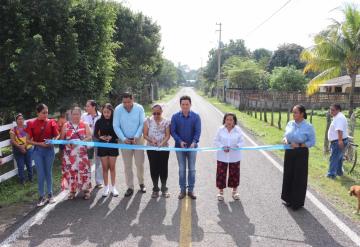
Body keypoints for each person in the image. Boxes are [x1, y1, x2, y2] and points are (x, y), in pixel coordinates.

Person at [282, 104, 315, 210]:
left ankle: (297, 203)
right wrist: (285, 140)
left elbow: (312, 142)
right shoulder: (290, 123)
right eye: (293, 112)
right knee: (289, 175)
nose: (293, 114)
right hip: (289, 152)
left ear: (302, 114)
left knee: (299, 177)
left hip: (301, 153)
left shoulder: (308, 126)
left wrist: (299, 145)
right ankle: (288, 199)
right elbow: (286, 135)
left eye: (295, 112)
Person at [26, 104, 60, 207]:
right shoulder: (31, 123)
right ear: (38, 113)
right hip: (38, 151)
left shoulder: (51, 122)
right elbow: (27, 140)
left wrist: (53, 140)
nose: (46, 114)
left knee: (48, 172)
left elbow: (57, 135)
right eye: (43, 112)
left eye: (47, 112)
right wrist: (40, 144)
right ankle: (41, 196)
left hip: (49, 150)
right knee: (41, 173)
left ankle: (50, 194)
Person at [113, 92, 146, 197]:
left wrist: (136, 136)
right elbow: (116, 125)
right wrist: (123, 138)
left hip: (138, 140)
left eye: (128, 102)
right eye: (124, 102)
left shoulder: (139, 108)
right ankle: (130, 187)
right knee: (127, 165)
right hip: (124, 141)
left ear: (133, 99)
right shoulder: (118, 109)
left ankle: (141, 183)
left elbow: (142, 123)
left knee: (139, 163)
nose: (126, 104)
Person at [170, 95, 201, 200]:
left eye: (187, 104)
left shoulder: (196, 116)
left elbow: (198, 131)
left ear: (190, 104)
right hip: (180, 147)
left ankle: (191, 190)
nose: (185, 106)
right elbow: (173, 131)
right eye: (183, 104)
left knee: (192, 169)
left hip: (192, 147)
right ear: (180, 105)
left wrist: (194, 142)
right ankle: (182, 190)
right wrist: (180, 141)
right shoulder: (175, 117)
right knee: (182, 169)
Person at [61, 106, 92, 200]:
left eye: (77, 114)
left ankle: (86, 191)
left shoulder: (85, 124)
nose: (75, 116)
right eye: (73, 114)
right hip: (69, 154)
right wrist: (69, 143)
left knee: (84, 171)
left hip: (81, 153)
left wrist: (78, 141)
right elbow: (62, 139)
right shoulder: (66, 125)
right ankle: (72, 191)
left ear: (80, 114)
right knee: (71, 172)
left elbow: (89, 137)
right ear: (71, 115)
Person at [214, 113, 243, 201]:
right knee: (221, 174)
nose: (229, 121)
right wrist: (222, 147)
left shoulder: (238, 130)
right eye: (227, 119)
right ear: (224, 120)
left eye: (231, 120)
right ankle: (220, 192)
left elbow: (242, 142)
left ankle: (234, 192)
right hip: (222, 156)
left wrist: (236, 146)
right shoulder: (220, 129)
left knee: (235, 174)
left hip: (235, 156)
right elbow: (215, 141)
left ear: (234, 121)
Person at [143, 104, 171, 198]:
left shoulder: (166, 121)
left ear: (161, 112)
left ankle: (164, 188)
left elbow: (167, 135)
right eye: (154, 113)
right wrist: (152, 141)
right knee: (153, 168)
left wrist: (162, 143)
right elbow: (145, 135)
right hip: (151, 148)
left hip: (164, 148)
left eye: (158, 113)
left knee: (163, 168)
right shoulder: (148, 121)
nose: (156, 115)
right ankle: (155, 189)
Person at [94, 103, 119, 197]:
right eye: (104, 112)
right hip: (102, 146)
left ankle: (113, 188)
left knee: (112, 167)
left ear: (112, 112)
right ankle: (106, 187)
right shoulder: (99, 121)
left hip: (113, 146)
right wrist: (102, 137)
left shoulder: (116, 121)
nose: (106, 114)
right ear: (102, 112)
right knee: (105, 168)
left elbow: (118, 133)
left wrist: (112, 137)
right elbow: (95, 134)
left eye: (108, 112)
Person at [81, 100, 103, 188]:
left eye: (88, 106)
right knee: (87, 160)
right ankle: (87, 181)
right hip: (88, 139)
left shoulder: (101, 116)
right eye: (86, 106)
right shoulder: (84, 116)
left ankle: (99, 182)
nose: (86, 108)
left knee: (98, 160)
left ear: (93, 107)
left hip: (98, 139)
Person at [9, 113, 33, 185]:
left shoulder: (27, 128)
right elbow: (12, 140)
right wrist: (20, 147)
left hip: (28, 148)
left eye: (22, 119)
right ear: (16, 121)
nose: (21, 120)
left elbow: (31, 137)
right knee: (20, 165)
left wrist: (24, 146)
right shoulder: (13, 130)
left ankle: (30, 178)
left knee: (29, 164)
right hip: (18, 150)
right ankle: (22, 181)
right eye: (19, 119)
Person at [327, 103, 348, 179]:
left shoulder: (339, 118)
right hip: (339, 140)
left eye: (333, 110)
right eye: (330, 109)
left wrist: (340, 141)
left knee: (334, 158)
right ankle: (339, 172)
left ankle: (331, 174)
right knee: (339, 158)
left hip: (337, 141)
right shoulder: (338, 116)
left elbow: (339, 130)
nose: (331, 111)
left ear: (338, 110)